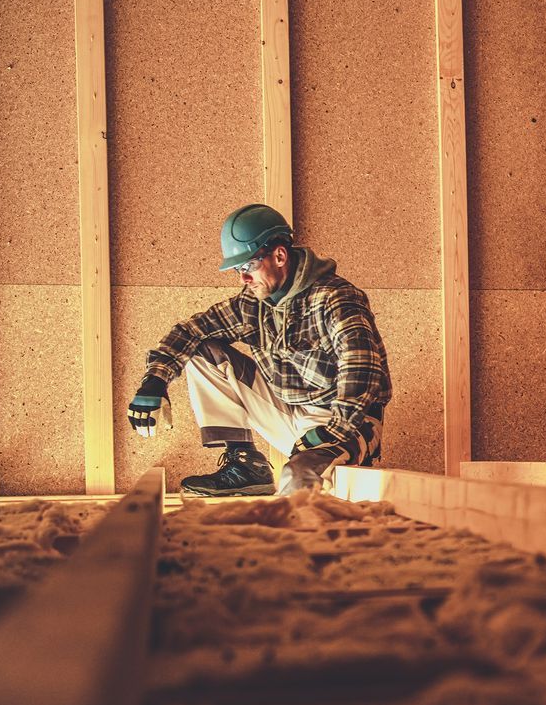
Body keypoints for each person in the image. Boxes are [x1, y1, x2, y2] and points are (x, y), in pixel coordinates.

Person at [125, 204, 393, 497]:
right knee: (201, 351)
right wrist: (155, 380)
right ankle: (246, 464)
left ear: (279, 256)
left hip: (346, 422)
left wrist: (334, 430)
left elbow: (363, 370)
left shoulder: (335, 299)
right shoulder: (252, 305)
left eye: (247, 266)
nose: (243, 278)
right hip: (288, 412)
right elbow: (189, 332)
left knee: (299, 475)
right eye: (238, 269)